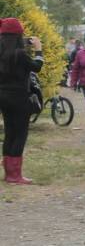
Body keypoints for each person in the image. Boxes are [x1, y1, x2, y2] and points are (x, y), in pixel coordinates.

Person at [0, 18, 44, 185]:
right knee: (20, 134)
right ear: (18, 36)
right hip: (19, 97)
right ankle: (15, 175)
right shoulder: (20, 54)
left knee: (10, 133)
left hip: (2, 96)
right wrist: (38, 50)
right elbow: (37, 66)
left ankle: (8, 173)